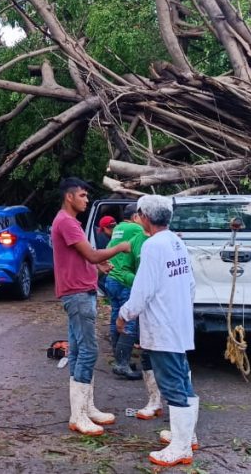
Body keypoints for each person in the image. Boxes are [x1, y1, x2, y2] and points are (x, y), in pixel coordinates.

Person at [117, 195, 198, 467]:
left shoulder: (153, 246)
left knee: (174, 385)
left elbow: (142, 291)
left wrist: (124, 314)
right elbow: (190, 285)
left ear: (144, 217)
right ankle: (185, 435)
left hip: (164, 327)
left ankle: (181, 447)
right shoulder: (177, 242)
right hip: (178, 323)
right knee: (183, 379)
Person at [52, 177, 131, 437]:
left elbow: (83, 256)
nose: (86, 200)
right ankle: (78, 416)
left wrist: (97, 266)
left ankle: (86, 407)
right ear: (69, 197)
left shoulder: (70, 222)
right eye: (83, 196)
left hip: (79, 292)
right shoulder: (67, 222)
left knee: (77, 350)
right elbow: (92, 253)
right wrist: (120, 247)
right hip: (77, 294)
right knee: (88, 350)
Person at [105, 203, 149, 380]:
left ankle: (119, 360)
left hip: (111, 278)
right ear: (135, 217)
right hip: (125, 280)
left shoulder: (118, 229)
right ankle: (122, 364)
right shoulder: (136, 230)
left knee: (117, 317)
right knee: (128, 320)